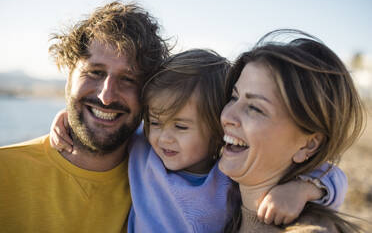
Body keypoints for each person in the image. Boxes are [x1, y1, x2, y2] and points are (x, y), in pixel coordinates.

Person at [51, 49, 348, 232]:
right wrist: (72, 120)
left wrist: (301, 190)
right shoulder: (144, 149)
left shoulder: (228, 174)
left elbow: (334, 176)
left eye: (181, 126)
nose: (163, 137)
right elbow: (109, 125)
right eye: (155, 122)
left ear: (215, 127)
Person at [0, 1, 168, 233]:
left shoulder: (162, 182)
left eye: (128, 79)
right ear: (69, 76)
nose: (107, 96)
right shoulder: (5, 172)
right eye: (95, 72)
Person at [219, 29, 366, 232]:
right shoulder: (225, 208)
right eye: (234, 98)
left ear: (308, 144)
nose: (226, 116)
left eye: (255, 108)